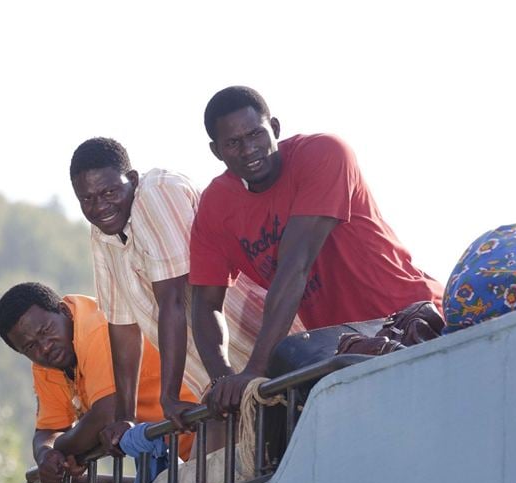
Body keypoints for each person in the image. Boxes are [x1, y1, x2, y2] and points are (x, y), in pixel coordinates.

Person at [189, 86, 444, 413]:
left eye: (256, 134)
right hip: (342, 353)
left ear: (275, 128)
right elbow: (205, 303)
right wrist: (222, 379)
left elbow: (296, 265)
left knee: (288, 358)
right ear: (216, 151)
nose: (249, 149)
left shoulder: (324, 153)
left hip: (407, 323)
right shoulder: (215, 206)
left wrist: (255, 370)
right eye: (233, 143)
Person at [68, 137, 302, 446]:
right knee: (208, 482)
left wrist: (168, 397)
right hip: (224, 384)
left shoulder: (156, 193)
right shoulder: (103, 232)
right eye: (88, 199)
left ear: (133, 180)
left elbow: (173, 301)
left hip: (277, 352)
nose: (100, 207)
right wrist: (126, 416)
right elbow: (122, 325)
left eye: (110, 192)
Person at [0, 282, 196, 483]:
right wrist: (46, 455)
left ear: (64, 311)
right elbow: (46, 431)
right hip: (171, 460)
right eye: (30, 346)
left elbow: (107, 414)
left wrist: (63, 448)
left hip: (205, 428)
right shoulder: (45, 366)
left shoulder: (96, 326)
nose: (44, 347)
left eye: (46, 330)